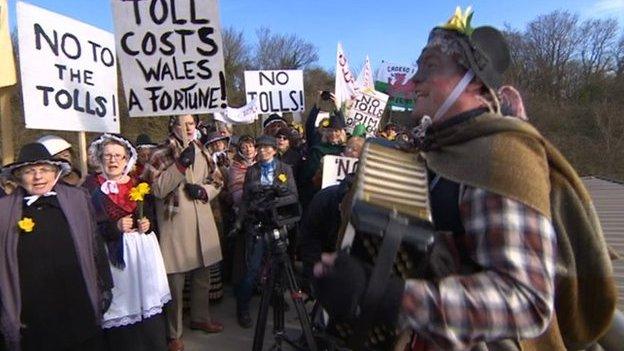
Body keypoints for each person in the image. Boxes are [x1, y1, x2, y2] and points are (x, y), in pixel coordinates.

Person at [313, 7, 615, 350]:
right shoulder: (439, 150)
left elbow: (525, 302)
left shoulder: (504, 155)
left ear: (472, 82)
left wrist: (387, 296)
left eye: (429, 67)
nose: (414, 80)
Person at [0, 142, 113, 351]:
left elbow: (94, 243)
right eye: (29, 171)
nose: (38, 177)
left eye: (44, 170)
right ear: (17, 176)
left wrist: (105, 285)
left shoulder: (77, 199)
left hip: (77, 301)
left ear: (56, 172)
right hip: (34, 311)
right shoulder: (4, 211)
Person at [144, 114, 224, 351]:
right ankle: (174, 333)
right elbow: (156, 189)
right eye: (182, 123)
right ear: (173, 125)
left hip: (202, 219)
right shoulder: (160, 154)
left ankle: (200, 318)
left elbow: (217, 180)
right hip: (175, 223)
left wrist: (204, 191)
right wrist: (179, 166)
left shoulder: (203, 150)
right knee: (175, 284)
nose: (188, 128)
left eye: (191, 123)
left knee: (202, 276)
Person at [83, 134, 170, 351]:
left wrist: (147, 224)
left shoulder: (137, 184)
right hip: (114, 257)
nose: (113, 160)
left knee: (147, 304)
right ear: (100, 158)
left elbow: (150, 215)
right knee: (120, 305)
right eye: (108, 156)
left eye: (118, 156)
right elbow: (86, 226)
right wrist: (114, 228)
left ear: (126, 159)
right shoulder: (91, 187)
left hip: (142, 255)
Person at [233, 135, 297, 328]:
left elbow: (294, 195)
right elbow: (245, 199)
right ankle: (242, 307)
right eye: (259, 147)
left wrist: (279, 195)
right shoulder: (252, 171)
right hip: (257, 224)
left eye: (265, 147)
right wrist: (239, 221)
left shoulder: (285, 169)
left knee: (278, 266)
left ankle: (274, 298)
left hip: (278, 223)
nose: (261, 150)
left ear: (274, 150)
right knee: (252, 268)